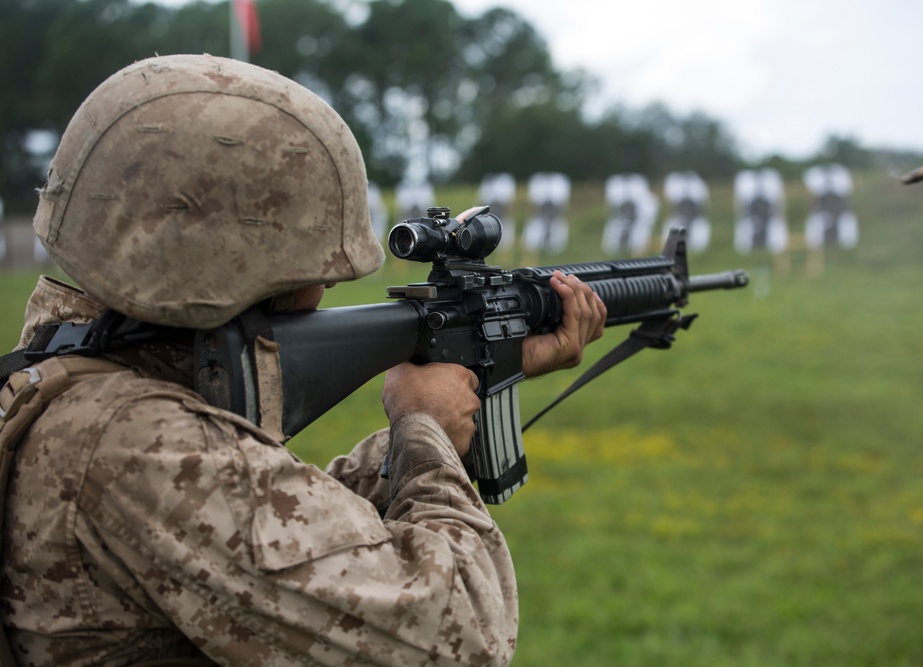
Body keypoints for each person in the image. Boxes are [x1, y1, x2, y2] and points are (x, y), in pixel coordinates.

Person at [0, 54, 606, 666]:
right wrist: (424, 435)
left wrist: (454, 398)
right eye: (317, 271)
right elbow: (461, 636)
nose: (326, 288)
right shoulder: (137, 446)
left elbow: (286, 527)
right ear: (247, 269)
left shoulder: (77, 382)